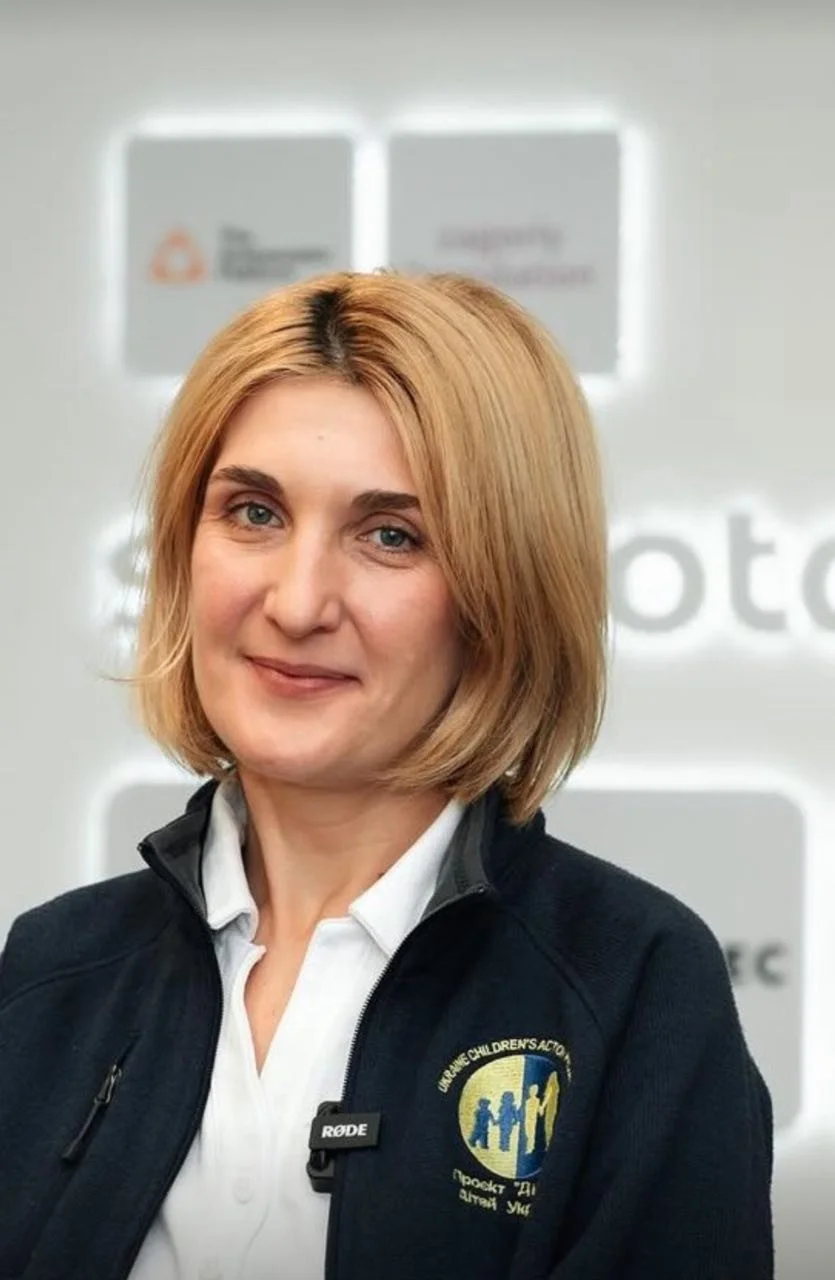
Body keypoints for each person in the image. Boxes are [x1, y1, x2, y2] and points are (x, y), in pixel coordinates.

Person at [0, 270, 773, 1279]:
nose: (297, 602)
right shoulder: (51, 970)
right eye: (254, 512)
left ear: (503, 589)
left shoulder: (634, 987)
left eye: (391, 535)